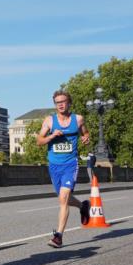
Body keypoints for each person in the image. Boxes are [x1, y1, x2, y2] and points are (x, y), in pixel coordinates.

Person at [36, 90, 91, 249]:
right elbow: (39, 141)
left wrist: (85, 137)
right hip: (54, 166)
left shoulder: (78, 119)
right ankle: (83, 206)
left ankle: (58, 236)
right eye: (57, 102)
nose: (60, 104)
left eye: (63, 101)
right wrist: (51, 137)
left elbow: (85, 133)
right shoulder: (50, 121)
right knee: (63, 198)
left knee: (64, 197)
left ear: (69, 103)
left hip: (70, 164)